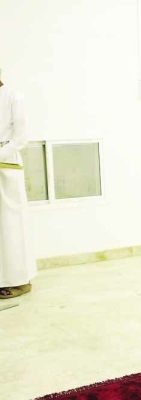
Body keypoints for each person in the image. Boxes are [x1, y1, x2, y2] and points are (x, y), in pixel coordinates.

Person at [0, 69, 36, 300]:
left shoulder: (14, 96)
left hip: (7, 164)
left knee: (11, 224)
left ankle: (20, 281)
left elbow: (21, 138)